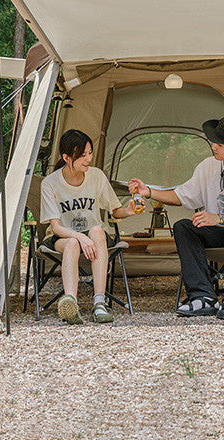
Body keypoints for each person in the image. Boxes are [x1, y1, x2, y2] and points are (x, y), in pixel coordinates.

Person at [129, 116, 224, 322]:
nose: (213, 146)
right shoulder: (207, 166)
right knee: (184, 227)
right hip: (215, 232)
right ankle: (203, 296)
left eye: (219, 144)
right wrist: (148, 191)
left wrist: (219, 218)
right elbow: (180, 196)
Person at [40, 128, 143, 325]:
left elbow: (115, 210)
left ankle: (99, 303)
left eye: (90, 153)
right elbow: (56, 227)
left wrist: (128, 210)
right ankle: (71, 304)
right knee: (71, 243)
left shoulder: (96, 176)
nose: (88, 159)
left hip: (94, 237)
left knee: (96, 229)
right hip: (62, 237)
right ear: (66, 157)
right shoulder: (50, 183)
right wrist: (80, 237)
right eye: (82, 155)